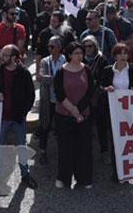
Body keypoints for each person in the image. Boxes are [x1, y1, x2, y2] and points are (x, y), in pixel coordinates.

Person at [0, 44, 37, 189]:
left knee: (22, 147)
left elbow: (31, 95)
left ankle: (25, 175)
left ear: (14, 57)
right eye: (1, 54)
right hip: (2, 118)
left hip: (18, 118)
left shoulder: (24, 73)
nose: (1, 57)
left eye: (5, 55)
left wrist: (23, 112)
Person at [53, 42, 95, 189]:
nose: (79, 56)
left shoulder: (87, 70)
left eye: (81, 53)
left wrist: (79, 109)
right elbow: (59, 93)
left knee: (84, 148)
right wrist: (72, 109)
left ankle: (84, 179)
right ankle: (63, 178)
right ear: (69, 55)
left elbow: (90, 91)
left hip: (83, 115)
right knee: (65, 148)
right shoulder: (61, 71)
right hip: (64, 115)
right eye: (76, 53)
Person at [81, 36, 110, 164]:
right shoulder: (81, 58)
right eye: (85, 46)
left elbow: (106, 77)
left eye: (90, 46)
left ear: (95, 46)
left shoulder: (102, 59)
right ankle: (85, 153)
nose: (87, 49)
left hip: (98, 97)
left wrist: (97, 86)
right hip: (83, 96)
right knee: (85, 126)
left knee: (101, 125)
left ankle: (104, 151)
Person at [37, 36, 65, 165]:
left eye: (52, 46)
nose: (49, 49)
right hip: (48, 99)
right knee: (45, 126)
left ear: (59, 47)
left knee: (61, 128)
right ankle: (43, 152)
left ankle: (63, 153)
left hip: (62, 100)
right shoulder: (45, 61)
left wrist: (52, 79)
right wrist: (58, 79)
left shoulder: (65, 60)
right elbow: (42, 77)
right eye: (48, 46)